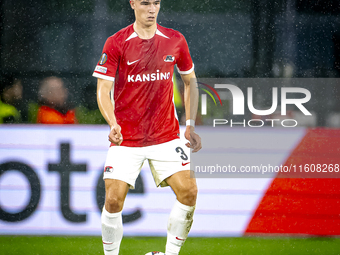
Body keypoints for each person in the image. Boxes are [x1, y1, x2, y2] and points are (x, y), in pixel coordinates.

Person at [92, 0, 202, 254]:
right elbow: (103, 90)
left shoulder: (175, 40)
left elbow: (190, 82)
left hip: (166, 137)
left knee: (189, 192)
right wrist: (113, 123)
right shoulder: (117, 42)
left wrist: (190, 124)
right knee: (112, 200)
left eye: (156, 3)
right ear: (133, 4)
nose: (151, 8)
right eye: (145, 3)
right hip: (126, 139)